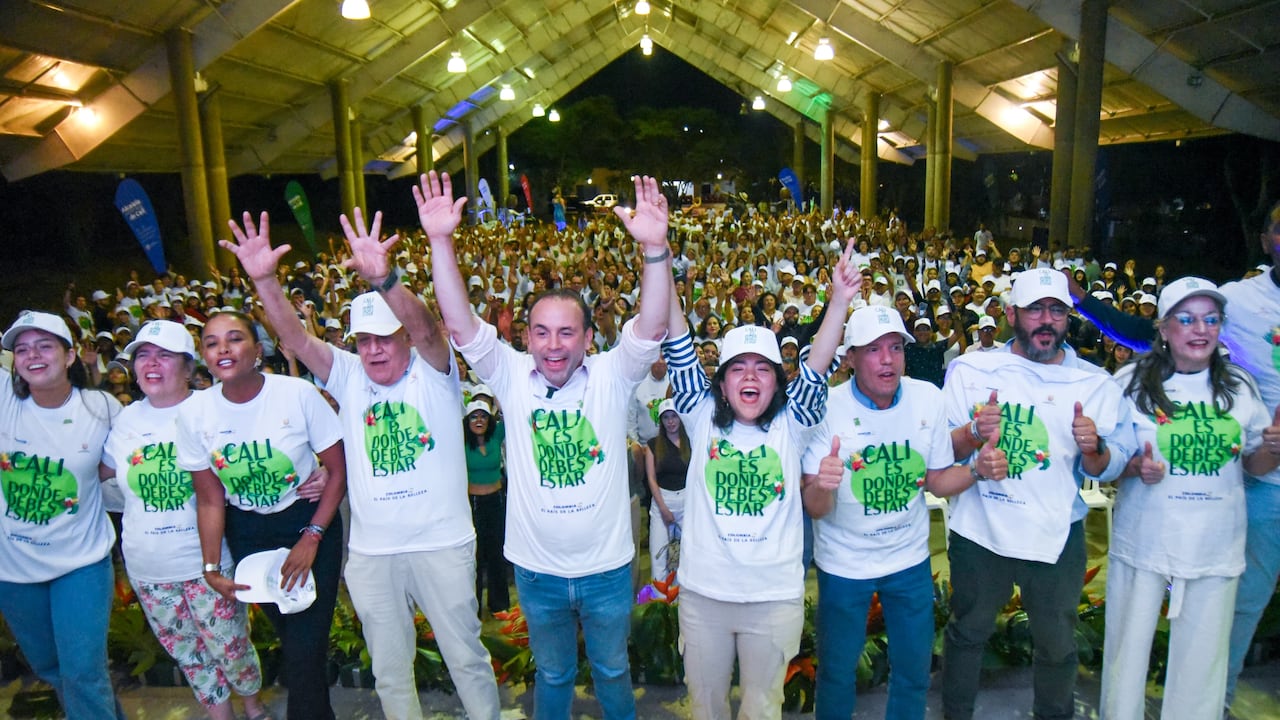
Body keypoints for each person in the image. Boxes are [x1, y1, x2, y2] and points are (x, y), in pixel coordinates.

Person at [218, 209, 501, 720]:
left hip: (441, 544)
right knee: (391, 669)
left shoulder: (435, 371)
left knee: (466, 658)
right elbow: (297, 340)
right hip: (373, 554)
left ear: (404, 339)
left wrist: (384, 279)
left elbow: (431, 329)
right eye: (363, 340)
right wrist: (263, 280)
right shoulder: (348, 375)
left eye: (384, 338)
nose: (372, 349)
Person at [424, 170, 672, 720]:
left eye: (566, 333)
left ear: (588, 338)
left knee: (613, 674)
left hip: (607, 569)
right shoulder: (509, 376)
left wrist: (655, 251)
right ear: (525, 337)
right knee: (554, 676)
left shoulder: (611, 375)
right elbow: (460, 325)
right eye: (540, 332)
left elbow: (652, 324)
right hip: (536, 573)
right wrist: (441, 241)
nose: (553, 345)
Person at [659, 238, 860, 720]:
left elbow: (814, 370)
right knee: (705, 709)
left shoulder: (795, 424)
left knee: (762, 709)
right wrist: (657, 256)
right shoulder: (699, 415)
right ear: (723, 382)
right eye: (738, 368)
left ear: (776, 380)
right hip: (705, 596)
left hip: (773, 599)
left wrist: (838, 300)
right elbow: (677, 339)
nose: (750, 376)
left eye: (763, 369)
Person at [940, 268, 1135, 720]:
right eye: (1035, 310)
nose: (1047, 321)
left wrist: (1096, 448)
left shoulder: (1094, 383)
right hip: (981, 532)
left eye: (1057, 310)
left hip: (1055, 535)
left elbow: (1112, 464)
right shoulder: (971, 369)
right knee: (967, 633)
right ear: (1011, 314)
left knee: (1056, 643)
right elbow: (941, 450)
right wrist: (973, 440)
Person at [803, 306, 1005, 720]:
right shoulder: (827, 410)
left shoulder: (927, 398)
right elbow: (815, 509)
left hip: (909, 560)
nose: (887, 359)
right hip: (844, 564)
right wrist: (822, 485)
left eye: (895, 348)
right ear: (851, 358)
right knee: (838, 674)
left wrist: (975, 471)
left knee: (913, 671)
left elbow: (936, 481)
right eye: (873, 350)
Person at [1101, 277, 1280, 720]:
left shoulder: (1239, 387)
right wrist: (1134, 468)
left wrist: (1273, 451)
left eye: (1210, 319)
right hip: (1144, 540)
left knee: (1202, 665)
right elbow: (1109, 462)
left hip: (1216, 543)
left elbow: (1251, 466)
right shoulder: (1131, 383)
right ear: (1163, 328)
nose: (1199, 329)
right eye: (1186, 319)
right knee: (1126, 657)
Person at [177, 310, 348, 720]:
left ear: (257, 350)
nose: (223, 349)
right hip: (250, 532)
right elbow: (209, 498)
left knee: (305, 646)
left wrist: (311, 536)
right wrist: (211, 566)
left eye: (234, 339)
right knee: (295, 644)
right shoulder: (194, 414)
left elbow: (338, 471)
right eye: (212, 342)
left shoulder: (296, 395)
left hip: (308, 520)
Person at [101, 320, 271, 720]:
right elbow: (100, 475)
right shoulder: (126, 421)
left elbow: (260, 457)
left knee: (231, 646)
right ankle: (220, 714)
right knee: (188, 653)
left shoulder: (212, 408)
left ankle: (253, 705)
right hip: (147, 567)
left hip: (205, 562)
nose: (151, 364)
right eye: (142, 355)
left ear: (188, 366)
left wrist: (312, 475)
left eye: (163, 355)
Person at [0, 311, 125, 720]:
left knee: (83, 672)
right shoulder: (4, 400)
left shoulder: (100, 407)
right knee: (50, 667)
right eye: (22, 349)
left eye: (45, 345)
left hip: (82, 564)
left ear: (71, 355)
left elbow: (129, 457)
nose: (33, 355)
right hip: (14, 570)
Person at [1226, 200, 1280, 710]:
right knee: (1245, 603)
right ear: (1266, 239)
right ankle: (1214, 700)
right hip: (1268, 485)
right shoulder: (1238, 301)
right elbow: (1163, 334)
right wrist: (1085, 305)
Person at [464, 398, 511, 615]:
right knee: (475, 556)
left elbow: (508, 411)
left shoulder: (496, 436)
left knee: (496, 553)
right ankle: (473, 607)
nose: (479, 420)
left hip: (496, 501)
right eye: (474, 416)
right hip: (472, 505)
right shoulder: (460, 441)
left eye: (483, 416)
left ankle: (499, 605)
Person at [645, 398, 688, 581]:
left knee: (685, 555)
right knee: (659, 554)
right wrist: (663, 508)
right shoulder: (653, 444)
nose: (671, 421)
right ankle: (660, 603)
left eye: (674, 417)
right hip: (662, 501)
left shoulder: (690, 442)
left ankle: (679, 600)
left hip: (686, 501)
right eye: (666, 418)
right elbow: (651, 479)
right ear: (661, 421)